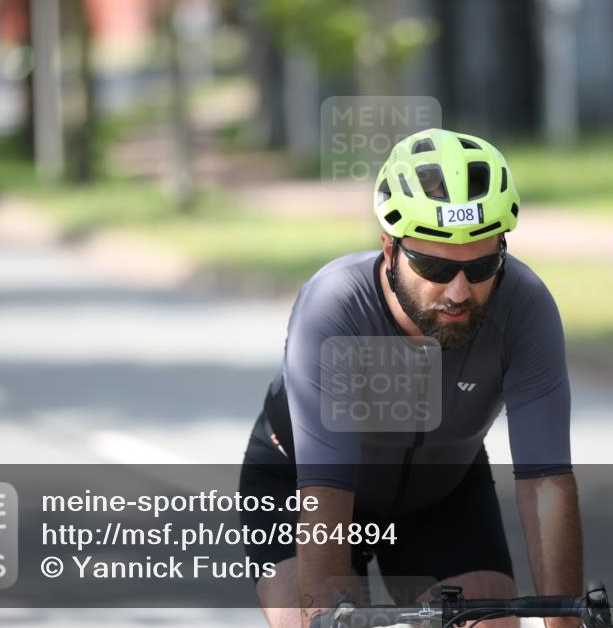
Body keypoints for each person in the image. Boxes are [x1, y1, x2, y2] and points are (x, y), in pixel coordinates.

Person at [239, 128, 582, 628]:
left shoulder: (525, 307)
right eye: (435, 266)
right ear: (389, 247)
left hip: (440, 494)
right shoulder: (336, 308)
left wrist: (564, 620)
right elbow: (325, 489)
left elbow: (546, 480)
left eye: (483, 264)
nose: (459, 291)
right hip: (304, 488)